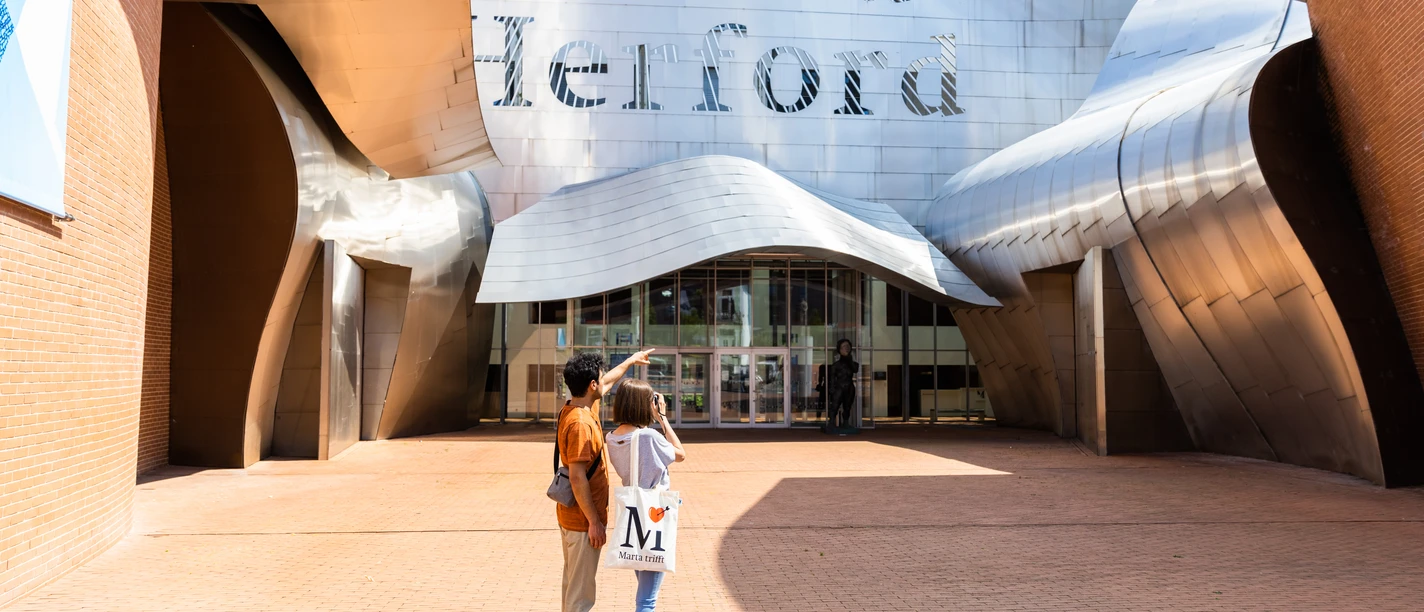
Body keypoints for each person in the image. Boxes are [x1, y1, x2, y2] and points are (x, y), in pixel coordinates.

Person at [557, 349, 654, 612]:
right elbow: (577, 478)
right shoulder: (580, 423)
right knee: (580, 595)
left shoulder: (579, 406)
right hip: (581, 521)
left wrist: (631, 361)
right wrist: (594, 522)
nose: (605, 382)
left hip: (574, 517)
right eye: (599, 378)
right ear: (592, 385)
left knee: (573, 587)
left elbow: (609, 380)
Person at [605, 379, 686, 612]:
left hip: (633, 515)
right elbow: (681, 454)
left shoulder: (612, 438)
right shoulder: (648, 437)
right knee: (647, 600)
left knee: (645, 583)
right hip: (654, 517)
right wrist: (663, 418)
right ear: (644, 404)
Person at [827, 339, 859, 430]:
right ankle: (832, 422)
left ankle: (845, 422)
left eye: (848, 346)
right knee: (835, 406)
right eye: (844, 347)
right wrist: (832, 388)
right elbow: (832, 378)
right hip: (839, 387)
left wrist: (849, 359)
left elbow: (855, 370)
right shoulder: (835, 365)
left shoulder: (854, 364)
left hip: (849, 387)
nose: (846, 349)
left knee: (847, 406)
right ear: (839, 349)